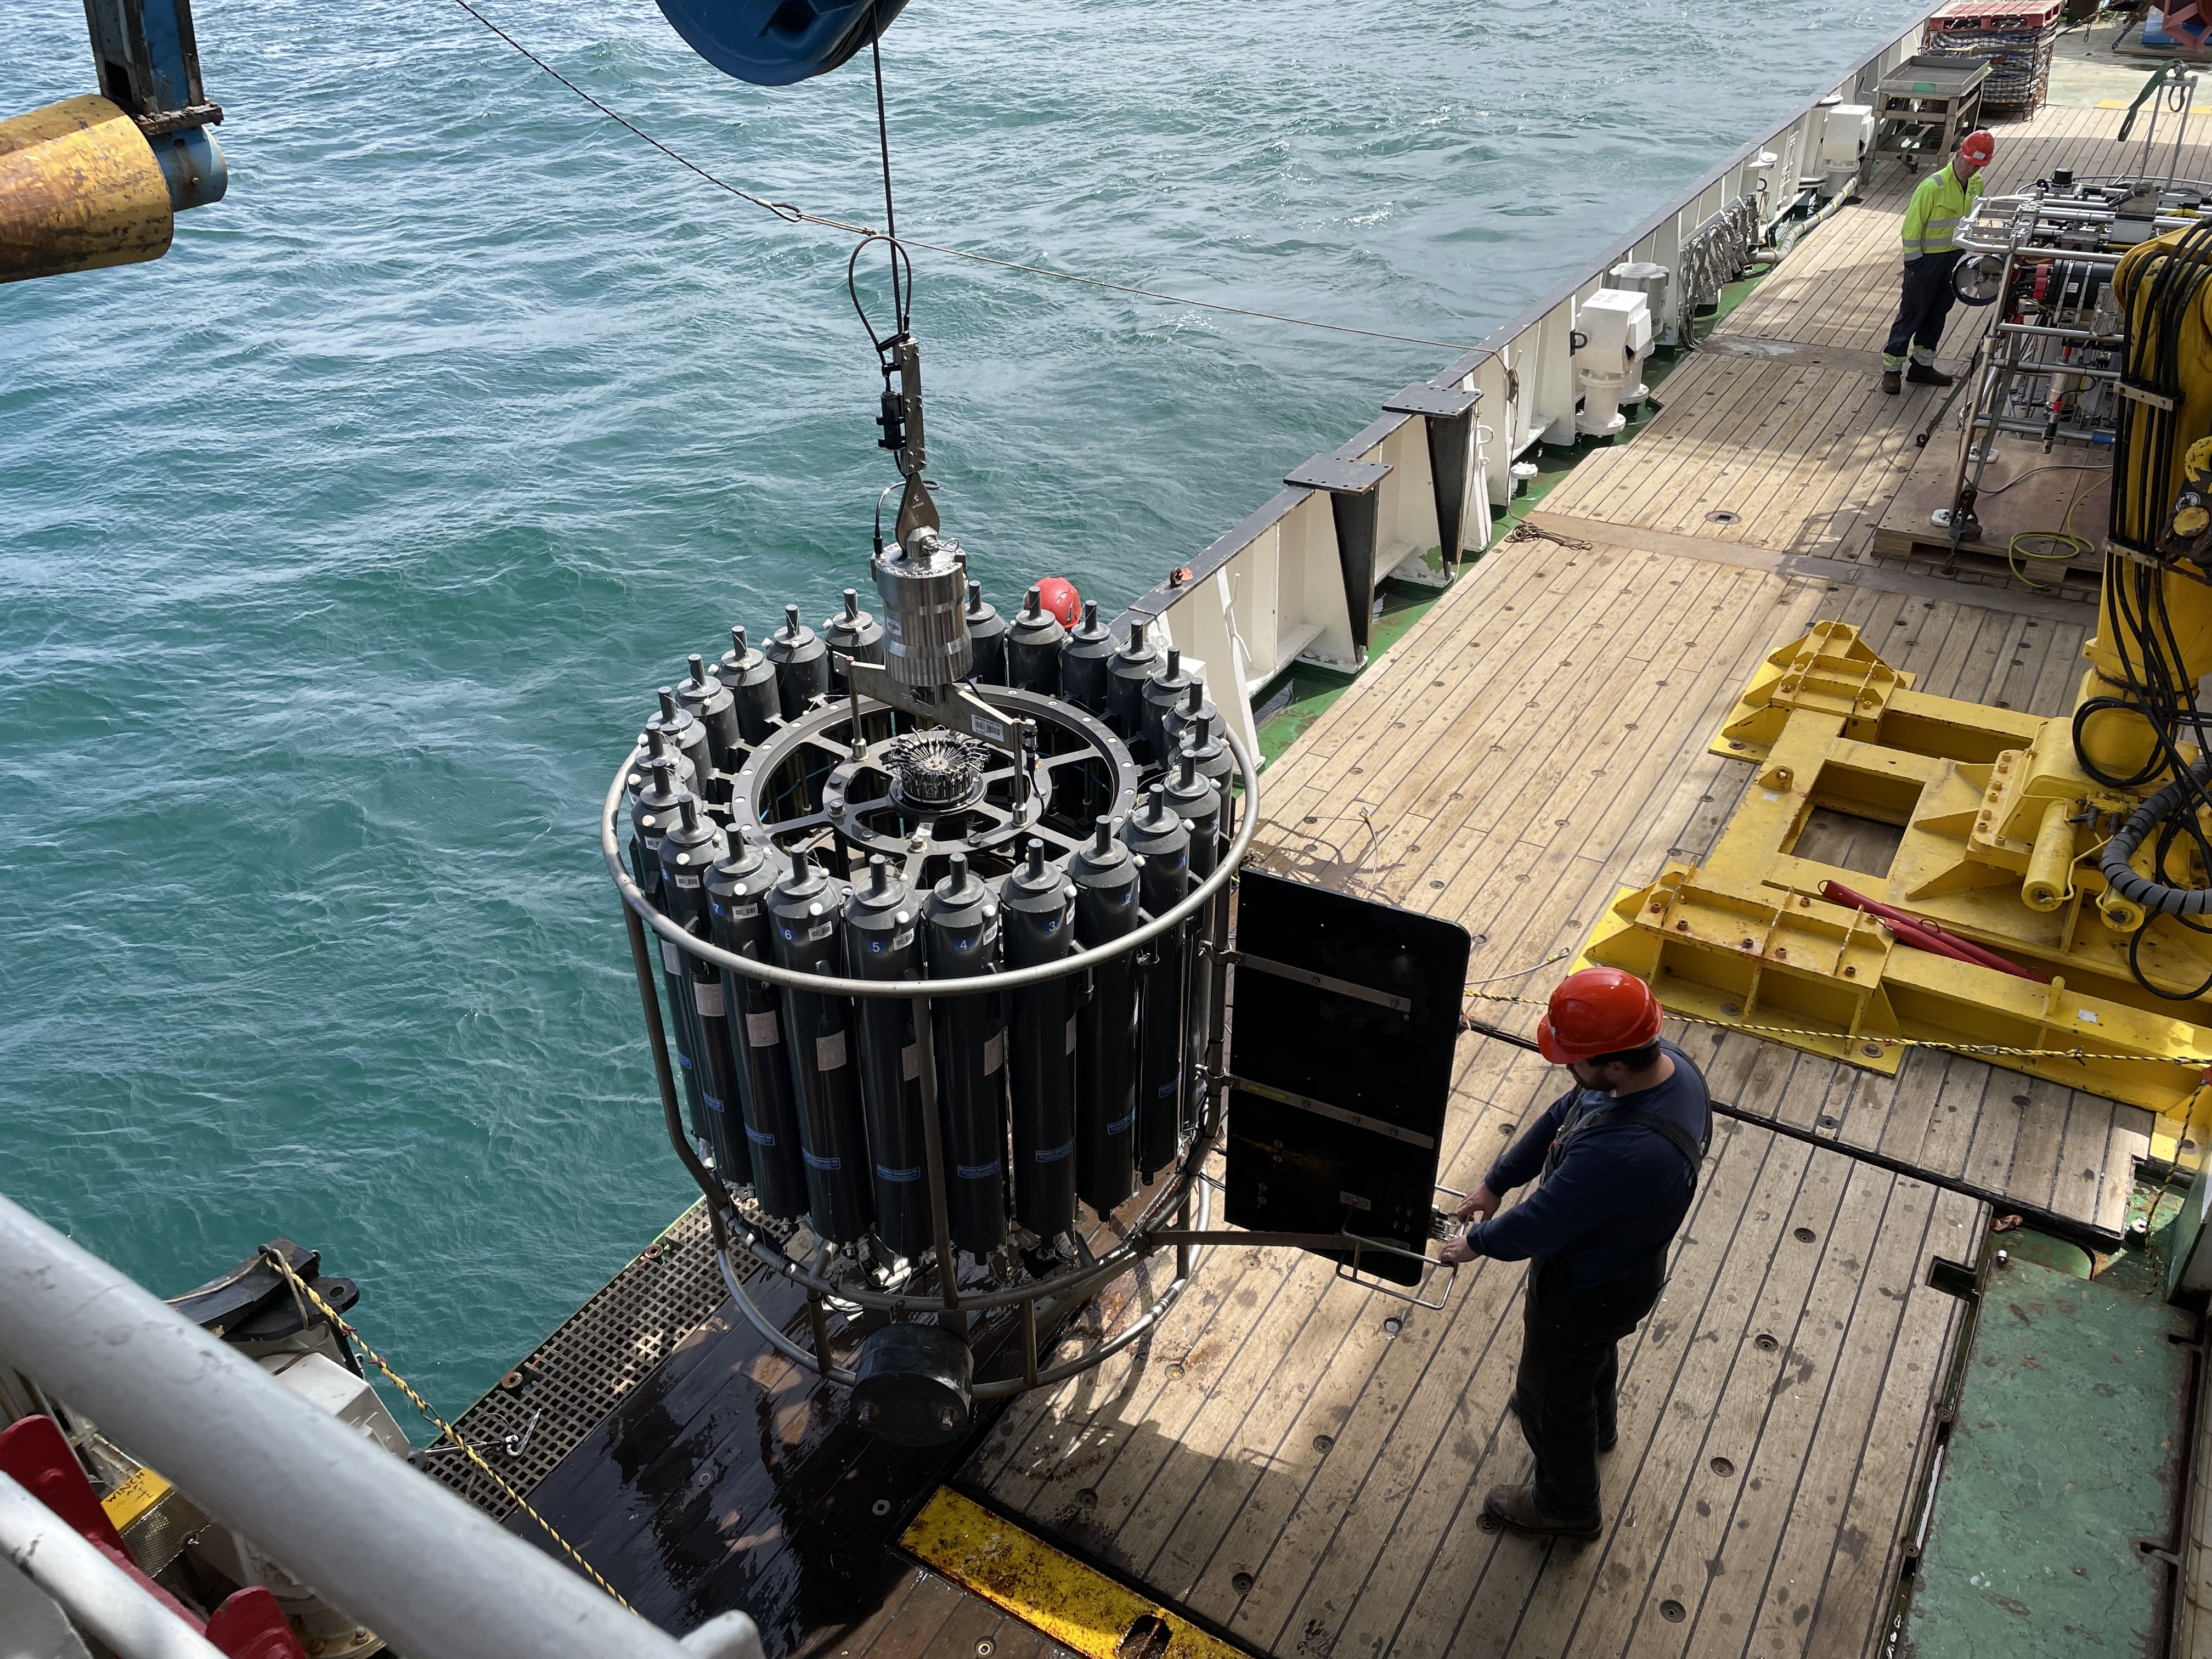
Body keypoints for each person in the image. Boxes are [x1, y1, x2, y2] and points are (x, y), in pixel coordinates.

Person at [1440, 967, 1709, 1542]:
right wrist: (1497, 1181)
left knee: (1547, 1399)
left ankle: (1565, 1507)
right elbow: (1564, 1114)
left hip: (1582, 1291)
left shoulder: (1625, 1154)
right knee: (1587, 1363)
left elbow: (1538, 1226)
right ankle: (1598, 1430)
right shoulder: (1669, 1070)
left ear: (1613, 1062)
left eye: (1574, 1060)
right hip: (1627, 1271)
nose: (1568, 1068)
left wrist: (1472, 1245)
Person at [1881, 128, 1995, 395]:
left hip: (1955, 259)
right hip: (1925, 262)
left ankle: (1922, 366)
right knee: (1912, 313)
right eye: (1968, 162)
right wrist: (1914, 265)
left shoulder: (1976, 183)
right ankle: (1892, 370)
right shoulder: (1933, 186)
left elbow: (1971, 221)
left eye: (1978, 165)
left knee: (1938, 313)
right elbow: (1911, 228)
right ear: (1958, 155)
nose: (1971, 169)